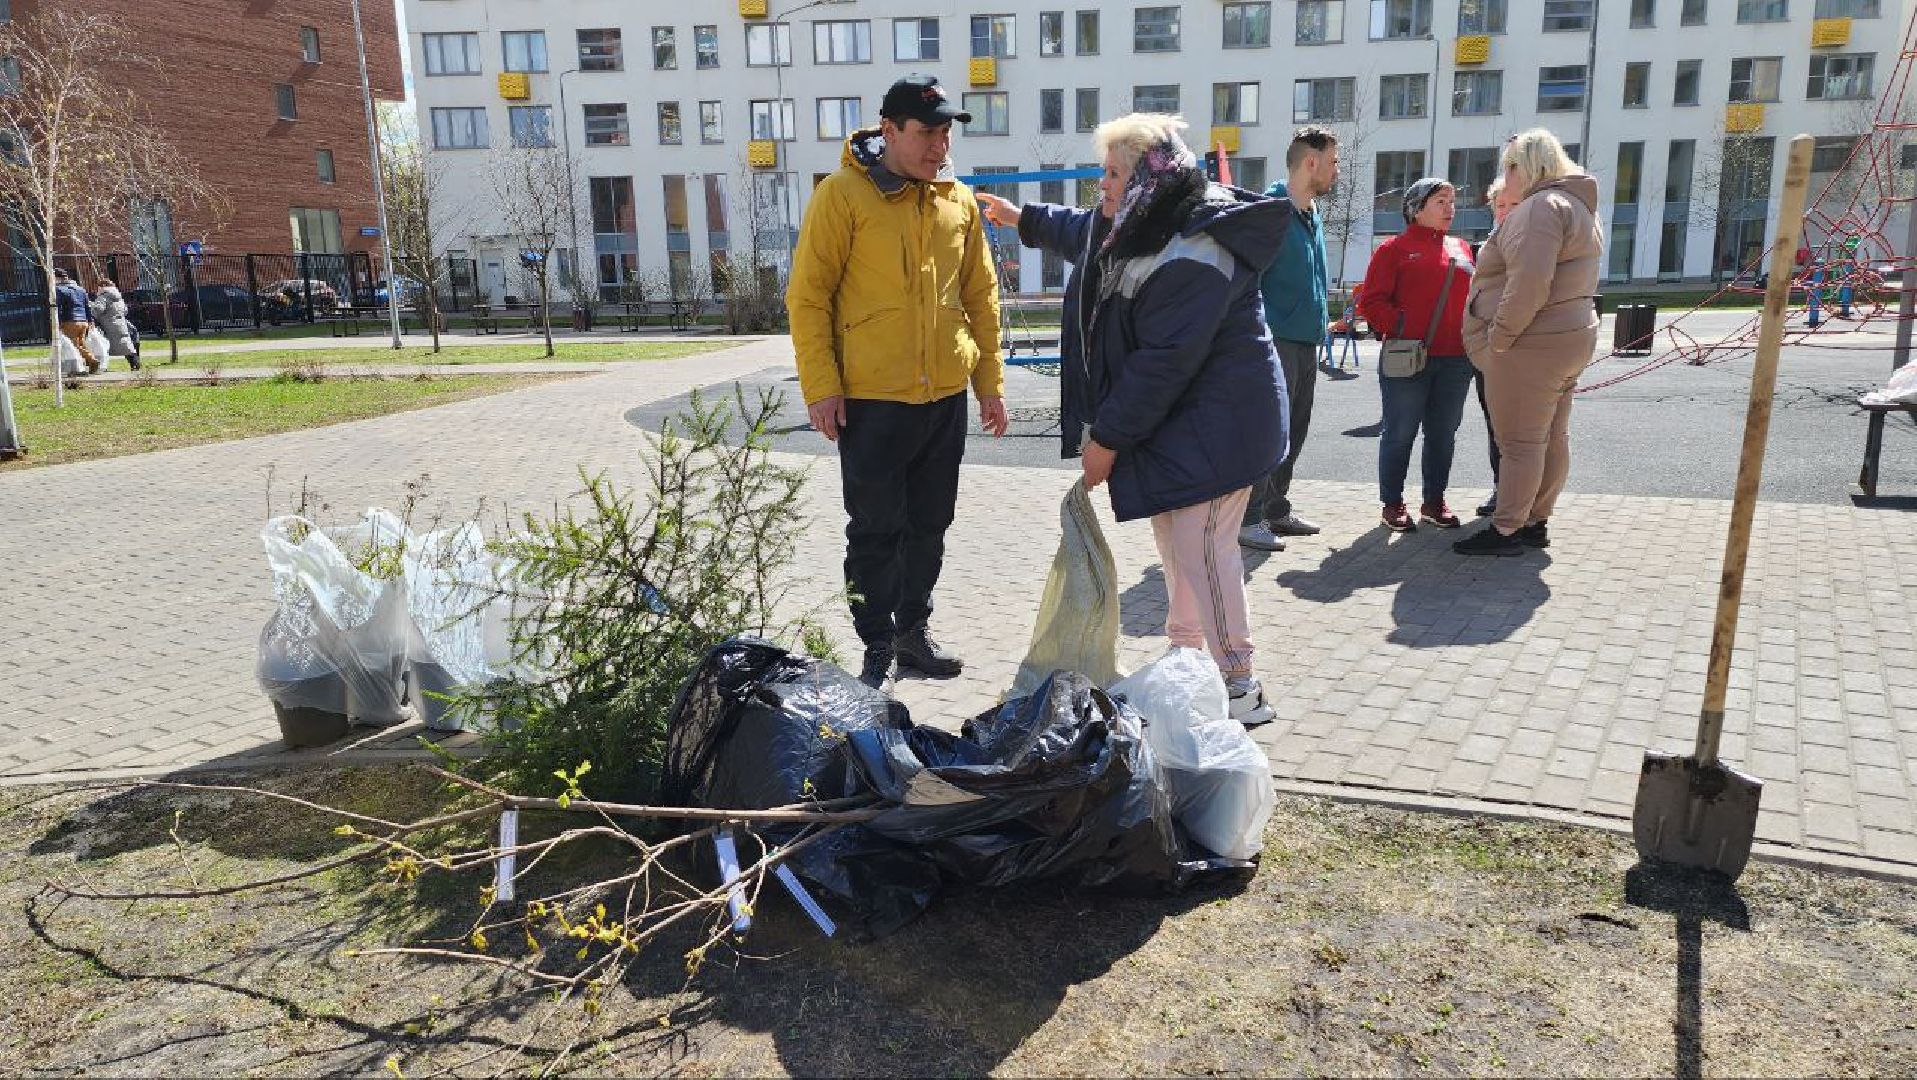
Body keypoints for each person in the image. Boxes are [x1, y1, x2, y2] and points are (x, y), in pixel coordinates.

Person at [978, 113, 1288, 727]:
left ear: (1149, 177)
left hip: (1221, 430)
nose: (1103, 185)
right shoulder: (1143, 219)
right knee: (1179, 547)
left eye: (1114, 173)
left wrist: (1108, 442)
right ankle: (1187, 664)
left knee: (1206, 552)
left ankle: (1239, 684)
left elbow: (1161, 365)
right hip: (1186, 431)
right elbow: (1085, 233)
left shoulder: (1196, 247)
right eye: (1103, 171)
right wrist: (1022, 219)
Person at [786, 74, 1008, 689]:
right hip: (872, 400)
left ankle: (913, 631)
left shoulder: (957, 201)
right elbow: (808, 297)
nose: (939, 145)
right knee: (876, 528)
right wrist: (821, 386)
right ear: (889, 131)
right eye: (927, 132)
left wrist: (988, 384)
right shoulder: (842, 196)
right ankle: (875, 644)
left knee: (931, 522)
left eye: (945, 133)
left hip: (943, 397)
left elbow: (980, 296)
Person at [1455, 128, 1603, 557]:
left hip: (1532, 343)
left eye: (1509, 167)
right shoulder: (1578, 206)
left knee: (1520, 442)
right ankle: (1535, 520)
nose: (1507, 176)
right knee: (1551, 435)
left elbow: (1530, 282)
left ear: (1527, 166)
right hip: (1568, 336)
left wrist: (1499, 338)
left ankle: (1506, 529)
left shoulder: (1541, 208)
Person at [1238, 126, 1338, 552]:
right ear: (1310, 162)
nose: (1337, 171)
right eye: (1333, 161)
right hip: (1273, 340)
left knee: (1295, 429)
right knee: (1268, 432)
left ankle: (1276, 510)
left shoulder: (1310, 211)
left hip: (1305, 339)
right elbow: (1246, 280)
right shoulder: (1271, 211)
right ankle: (1248, 518)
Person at [1359, 179, 1476, 532]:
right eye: (1441, 200)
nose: (1449, 207)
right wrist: (1404, 325)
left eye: (1452, 201)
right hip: (1407, 357)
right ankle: (1392, 504)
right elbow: (1372, 301)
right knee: (1400, 432)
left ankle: (1433, 502)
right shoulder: (1393, 249)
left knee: (1443, 434)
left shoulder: (1462, 248)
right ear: (1416, 207)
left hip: (1456, 360)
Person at [1470, 176, 1524, 517]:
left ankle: (1522, 499)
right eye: (1499, 206)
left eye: (1513, 205)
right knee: (1496, 424)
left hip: (1523, 351)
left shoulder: (1533, 243)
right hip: (1489, 352)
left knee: (1525, 430)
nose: (1505, 213)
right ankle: (1501, 488)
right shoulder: (1488, 247)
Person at [52, 268, 98, 375]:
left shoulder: (58, 290)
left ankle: (91, 360)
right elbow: (87, 306)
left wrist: (57, 322)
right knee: (81, 344)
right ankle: (89, 364)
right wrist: (90, 321)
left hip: (70, 321)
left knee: (73, 345)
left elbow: (58, 308)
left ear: (57, 278)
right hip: (83, 321)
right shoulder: (81, 289)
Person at [90, 280, 141, 371]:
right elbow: (125, 310)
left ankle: (101, 366)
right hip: (121, 323)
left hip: (108, 325)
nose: (97, 289)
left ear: (103, 286)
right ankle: (135, 363)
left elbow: (98, 310)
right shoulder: (118, 297)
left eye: (98, 287)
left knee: (102, 345)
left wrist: (91, 306)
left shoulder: (103, 297)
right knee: (125, 344)